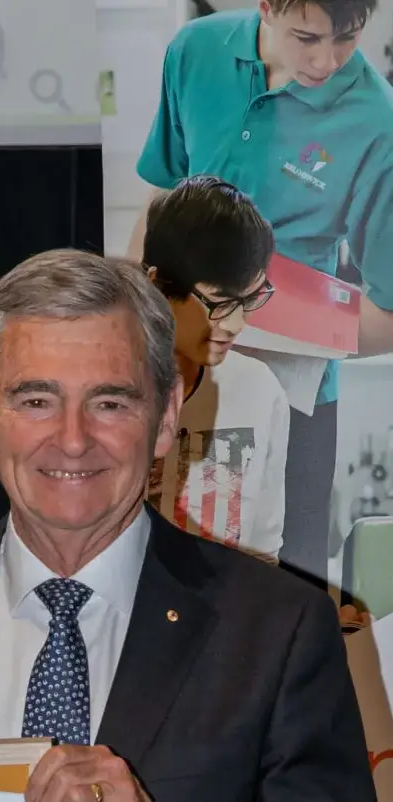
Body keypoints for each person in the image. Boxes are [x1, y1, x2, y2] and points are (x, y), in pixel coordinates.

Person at [0, 249, 375, 801]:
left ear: (166, 416)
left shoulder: (281, 635)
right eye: (36, 399)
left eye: (109, 403)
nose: (73, 439)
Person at [127, 0, 393, 588]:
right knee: (155, 575)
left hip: (295, 398)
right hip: (175, 376)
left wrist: (279, 329)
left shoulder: (376, 119)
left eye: (347, 39)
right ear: (268, 6)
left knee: (280, 591)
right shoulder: (194, 52)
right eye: (307, 37)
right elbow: (158, 208)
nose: (326, 62)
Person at [140, 175, 290, 565]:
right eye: (219, 302)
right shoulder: (103, 389)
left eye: (249, 300)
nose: (237, 324)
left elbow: (263, 549)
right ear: (157, 284)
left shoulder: (259, 389)